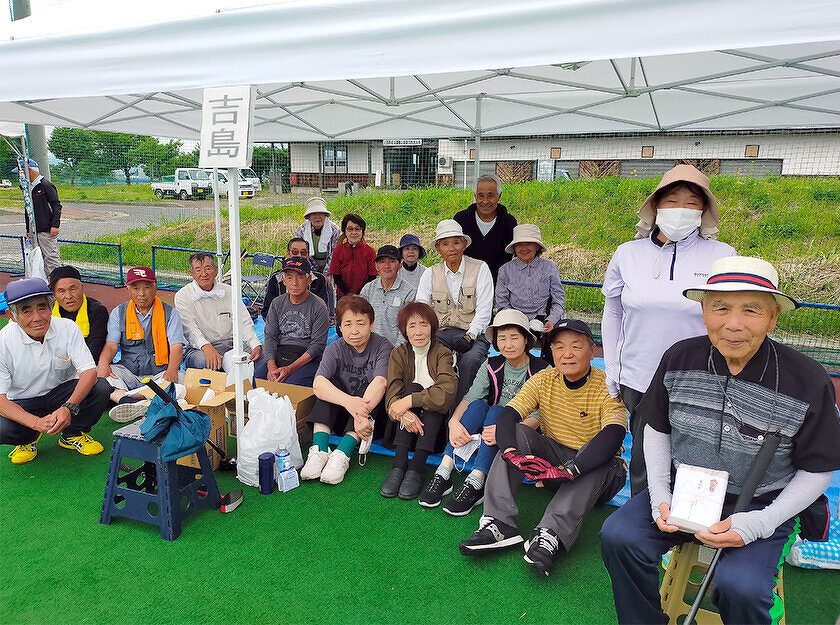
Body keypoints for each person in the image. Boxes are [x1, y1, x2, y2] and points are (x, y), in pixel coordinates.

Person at [600, 256, 840, 625]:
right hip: (685, 492)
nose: (734, 324)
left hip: (763, 503)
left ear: (773, 317)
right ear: (703, 310)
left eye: (752, 310)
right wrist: (660, 496)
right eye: (721, 307)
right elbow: (657, 428)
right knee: (619, 537)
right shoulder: (679, 357)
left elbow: (817, 470)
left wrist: (759, 523)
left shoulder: (808, 380)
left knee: (740, 587)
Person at [601, 164, 736, 495]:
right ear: (656, 206)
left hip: (702, 377)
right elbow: (613, 309)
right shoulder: (627, 253)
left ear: (704, 210)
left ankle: (689, 534)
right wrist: (613, 368)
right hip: (639, 376)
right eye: (672, 200)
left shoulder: (722, 256)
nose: (680, 209)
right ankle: (644, 527)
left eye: (692, 202)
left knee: (699, 457)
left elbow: (730, 318)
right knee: (645, 458)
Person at [459, 319, 627, 578]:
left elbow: (614, 434)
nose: (566, 354)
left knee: (601, 457)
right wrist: (511, 451)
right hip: (554, 468)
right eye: (559, 347)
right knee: (517, 433)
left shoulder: (608, 385)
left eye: (576, 346)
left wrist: (574, 468)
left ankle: (549, 533)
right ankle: (499, 523)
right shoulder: (544, 379)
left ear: (592, 350)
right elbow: (508, 415)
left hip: (598, 474)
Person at [420, 309, 550, 515]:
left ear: (526, 339)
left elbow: (542, 413)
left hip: (522, 431)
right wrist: (453, 422)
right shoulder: (491, 365)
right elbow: (471, 397)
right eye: (502, 338)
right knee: (479, 406)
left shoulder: (543, 370)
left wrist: (505, 430)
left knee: (499, 410)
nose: (508, 344)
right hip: (492, 426)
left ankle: (476, 481)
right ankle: (444, 472)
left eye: (514, 337)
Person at [0, 278, 111, 464]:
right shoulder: (3, 342)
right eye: (26, 311)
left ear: (51, 307)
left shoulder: (67, 328)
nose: (37, 317)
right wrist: (36, 423)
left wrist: (69, 407)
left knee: (101, 387)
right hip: (23, 401)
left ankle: (72, 434)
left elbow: (89, 372)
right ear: (11, 316)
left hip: (61, 394)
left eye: (42, 307)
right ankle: (28, 439)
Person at [301, 295, 392, 485]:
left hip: (371, 419)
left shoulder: (383, 346)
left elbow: (381, 382)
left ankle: (343, 453)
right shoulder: (335, 348)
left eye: (360, 323)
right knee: (329, 384)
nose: (354, 331)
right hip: (344, 413)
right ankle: (320, 450)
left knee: (370, 387)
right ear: (340, 327)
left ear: (371, 324)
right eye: (348, 324)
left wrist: (359, 415)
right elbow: (318, 384)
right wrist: (348, 402)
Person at [380, 302, 457, 500]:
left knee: (429, 397)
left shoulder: (443, 353)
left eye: (423, 324)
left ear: (432, 327)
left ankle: (416, 468)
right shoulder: (399, 353)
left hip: (433, 432)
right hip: (402, 427)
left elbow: (446, 393)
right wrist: (404, 411)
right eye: (412, 326)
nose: (419, 331)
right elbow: (392, 393)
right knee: (412, 388)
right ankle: (399, 466)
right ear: (405, 330)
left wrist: (410, 402)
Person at [415, 219, 493, 402]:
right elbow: (422, 309)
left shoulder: (481, 268)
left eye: (456, 242)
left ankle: (461, 404)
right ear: (438, 248)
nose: (451, 248)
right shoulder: (429, 274)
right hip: (441, 332)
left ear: (464, 244)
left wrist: (470, 336)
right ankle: (433, 401)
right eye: (445, 243)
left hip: (472, 332)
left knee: (471, 360)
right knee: (431, 356)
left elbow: (484, 309)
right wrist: (427, 336)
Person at [98, 266, 187, 421]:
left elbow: (176, 346)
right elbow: (112, 345)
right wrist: (103, 362)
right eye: (135, 288)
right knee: (103, 376)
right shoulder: (119, 312)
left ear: (155, 288)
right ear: (128, 289)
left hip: (161, 373)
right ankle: (140, 400)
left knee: (181, 379)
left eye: (147, 287)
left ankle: (132, 400)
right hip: (129, 373)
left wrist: (172, 370)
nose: (142, 293)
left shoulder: (170, 313)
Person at [174, 252, 265, 373]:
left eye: (208, 268)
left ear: (216, 270)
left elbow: (244, 321)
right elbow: (190, 330)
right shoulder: (183, 296)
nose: (204, 274)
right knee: (204, 361)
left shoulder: (229, 291)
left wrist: (255, 345)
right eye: (198, 270)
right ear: (192, 274)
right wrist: (206, 347)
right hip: (200, 349)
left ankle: (230, 367)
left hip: (232, 345)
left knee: (264, 352)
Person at [256, 257, 329, 386]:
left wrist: (290, 369)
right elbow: (270, 337)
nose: (294, 283)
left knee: (292, 385)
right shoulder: (277, 303)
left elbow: (317, 346)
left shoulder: (319, 306)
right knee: (258, 379)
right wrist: (271, 365)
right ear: (283, 281)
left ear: (309, 280)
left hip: (306, 357)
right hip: (281, 351)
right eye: (289, 277)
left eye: (300, 277)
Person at [495, 224, 565, 333]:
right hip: (514, 321)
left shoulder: (550, 267)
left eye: (528, 244)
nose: (524, 248)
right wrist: (516, 321)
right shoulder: (505, 270)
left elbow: (558, 298)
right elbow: (502, 302)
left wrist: (551, 320)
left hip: (543, 319)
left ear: (537, 247)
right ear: (514, 248)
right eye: (519, 245)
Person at [453, 173, 517, 281]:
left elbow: (509, 258)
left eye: (491, 195)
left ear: (499, 196)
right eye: (481, 195)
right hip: (465, 281)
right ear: (475, 196)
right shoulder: (461, 219)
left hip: (498, 282)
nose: (485, 201)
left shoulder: (509, 222)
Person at [48, 265, 109, 362]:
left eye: (72, 289)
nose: (68, 296)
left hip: (86, 366)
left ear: (82, 288)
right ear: (54, 294)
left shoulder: (97, 311)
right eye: (61, 291)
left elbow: (94, 351)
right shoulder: (48, 313)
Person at [261, 237, 332, 319]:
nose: (299, 256)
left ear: (308, 256)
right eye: (295, 252)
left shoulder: (319, 279)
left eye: (303, 253)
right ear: (288, 254)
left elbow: (323, 311)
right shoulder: (276, 278)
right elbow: (267, 311)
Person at [360, 245, 416, 346]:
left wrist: (396, 352)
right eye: (382, 262)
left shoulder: (410, 292)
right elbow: (360, 319)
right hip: (369, 347)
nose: (387, 266)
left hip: (396, 350)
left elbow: (408, 325)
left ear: (400, 265)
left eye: (392, 261)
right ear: (376, 266)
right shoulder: (368, 289)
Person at [13, 158, 62, 276]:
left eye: (21, 172)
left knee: (50, 257)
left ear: (29, 170)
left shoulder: (45, 185)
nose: (21, 176)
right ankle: (42, 282)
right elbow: (28, 209)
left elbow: (56, 206)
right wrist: (28, 229)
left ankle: (55, 283)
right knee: (36, 256)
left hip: (46, 229)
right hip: (34, 229)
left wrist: (55, 225)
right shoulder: (27, 188)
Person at [329, 213, 377, 297]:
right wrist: (348, 294)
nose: (354, 232)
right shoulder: (338, 251)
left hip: (364, 295)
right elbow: (336, 276)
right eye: (350, 229)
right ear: (345, 232)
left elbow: (372, 276)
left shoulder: (370, 252)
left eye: (357, 229)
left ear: (362, 231)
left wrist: (360, 293)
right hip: (343, 296)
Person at [293, 196, 341, 275]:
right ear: (308, 217)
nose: (317, 217)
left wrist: (327, 273)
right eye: (314, 214)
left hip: (329, 267)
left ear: (325, 215)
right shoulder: (301, 230)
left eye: (320, 213)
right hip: (308, 266)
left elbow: (335, 254)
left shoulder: (335, 230)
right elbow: (299, 253)